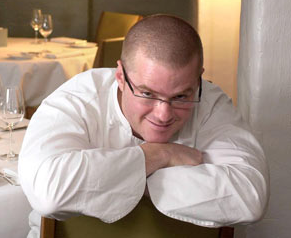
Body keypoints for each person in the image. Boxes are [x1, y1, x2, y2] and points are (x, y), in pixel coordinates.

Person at [18, 14, 269, 237]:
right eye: (147, 94)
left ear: (198, 78)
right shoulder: (77, 100)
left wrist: (111, 180)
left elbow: (250, 197)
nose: (163, 114)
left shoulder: (211, 104)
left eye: (181, 96)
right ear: (120, 77)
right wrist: (159, 155)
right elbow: (49, 192)